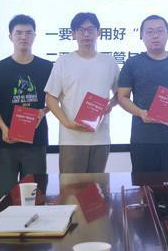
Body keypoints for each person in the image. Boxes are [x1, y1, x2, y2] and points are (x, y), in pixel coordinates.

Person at [0, 15, 53, 203]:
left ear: (34, 36)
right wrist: (3, 127)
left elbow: (56, 99)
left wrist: (43, 111)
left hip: (35, 143)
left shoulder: (47, 67)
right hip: (5, 143)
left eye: (28, 33)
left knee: (34, 199)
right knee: (2, 198)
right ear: (10, 36)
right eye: (19, 33)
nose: (24, 37)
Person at [117, 15, 168, 172]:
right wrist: (140, 112)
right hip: (142, 138)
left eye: (160, 31)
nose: (155, 35)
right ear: (142, 36)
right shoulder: (132, 63)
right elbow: (122, 97)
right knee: (143, 184)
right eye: (150, 31)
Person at [45, 12, 119, 173]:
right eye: (81, 30)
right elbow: (50, 98)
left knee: (97, 186)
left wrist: (110, 104)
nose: (86, 34)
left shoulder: (109, 62)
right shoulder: (63, 62)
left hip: (100, 137)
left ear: (99, 32)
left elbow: (119, 95)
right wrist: (67, 123)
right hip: (71, 138)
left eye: (91, 29)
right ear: (73, 34)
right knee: (71, 187)